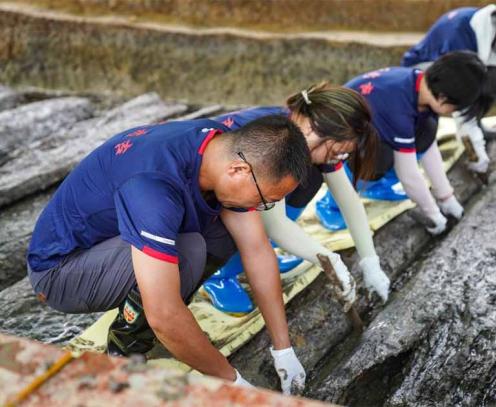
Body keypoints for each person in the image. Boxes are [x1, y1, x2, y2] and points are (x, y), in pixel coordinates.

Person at [26, 115, 311, 393]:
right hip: (59, 272)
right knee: (188, 252)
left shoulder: (216, 145)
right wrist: (234, 383)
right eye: (264, 200)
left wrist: (283, 349)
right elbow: (163, 313)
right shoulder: (153, 188)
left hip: (113, 244)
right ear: (238, 170)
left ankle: (154, 324)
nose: (263, 208)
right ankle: (124, 351)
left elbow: (257, 251)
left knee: (222, 234)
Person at [202, 82, 391, 315]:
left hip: (253, 195)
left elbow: (348, 199)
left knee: (309, 179)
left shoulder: (303, 138)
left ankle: (262, 254)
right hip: (204, 205)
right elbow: (275, 224)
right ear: (314, 129)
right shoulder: (272, 141)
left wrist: (370, 261)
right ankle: (221, 274)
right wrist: (330, 261)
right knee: (254, 206)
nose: (339, 158)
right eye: (337, 151)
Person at [316, 52, 496, 234]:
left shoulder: (422, 85)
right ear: (443, 99)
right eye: (455, 108)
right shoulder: (399, 108)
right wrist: (432, 213)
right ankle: (331, 203)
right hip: (331, 143)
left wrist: (446, 197)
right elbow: (408, 174)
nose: (452, 113)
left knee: (427, 129)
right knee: (380, 156)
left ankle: (374, 186)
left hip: (368, 132)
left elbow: (429, 149)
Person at [401, 4, 496, 172]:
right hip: (421, 73)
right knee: (476, 85)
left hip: (462, 76)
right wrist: (475, 151)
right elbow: (457, 92)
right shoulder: (462, 35)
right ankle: (421, 131)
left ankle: (476, 125)